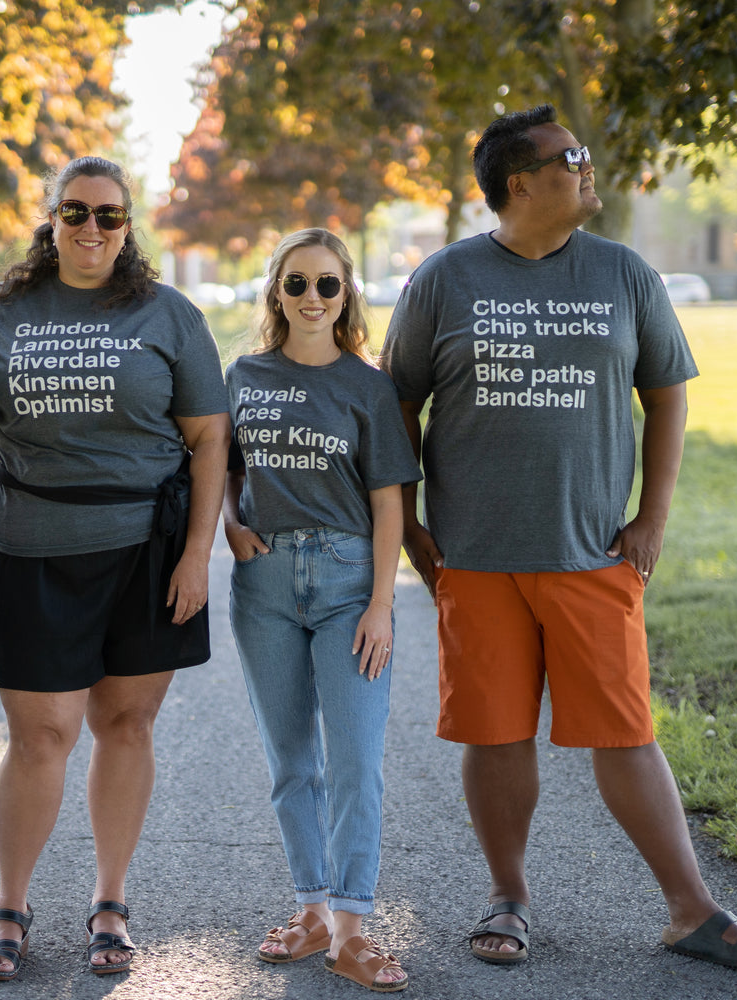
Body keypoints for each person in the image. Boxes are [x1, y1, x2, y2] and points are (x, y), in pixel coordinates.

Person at [381, 104, 737, 972]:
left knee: (626, 732)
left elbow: (668, 393)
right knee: (495, 734)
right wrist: (408, 519)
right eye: (573, 158)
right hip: (476, 557)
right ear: (520, 183)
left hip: (594, 551)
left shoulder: (624, 273)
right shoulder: (444, 280)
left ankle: (691, 909)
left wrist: (652, 518)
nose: (588, 167)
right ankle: (509, 896)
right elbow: (396, 403)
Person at [0, 155, 230, 981]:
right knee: (40, 736)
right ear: (51, 221)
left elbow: (211, 437)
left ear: (128, 226)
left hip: (146, 554)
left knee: (128, 726)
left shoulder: (168, 313)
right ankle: (11, 907)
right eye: (75, 213)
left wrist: (196, 555)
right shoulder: (1, 313)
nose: (90, 228)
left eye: (109, 216)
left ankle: (109, 903)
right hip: (33, 550)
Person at [223, 229, 419, 993]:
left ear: (347, 296)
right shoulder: (242, 375)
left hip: (346, 582)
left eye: (327, 286)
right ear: (275, 291)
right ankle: (312, 910)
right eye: (297, 284)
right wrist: (233, 529)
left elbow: (390, 504)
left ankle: (352, 929)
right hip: (264, 584)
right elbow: (222, 468)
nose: (311, 298)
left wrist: (381, 605)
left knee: (357, 763)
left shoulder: (366, 386)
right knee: (290, 763)